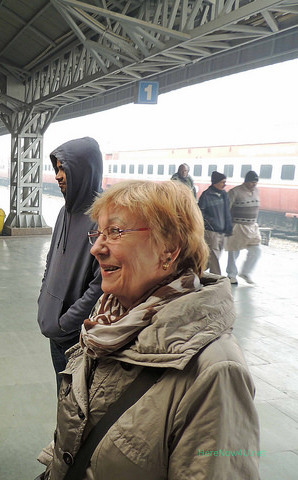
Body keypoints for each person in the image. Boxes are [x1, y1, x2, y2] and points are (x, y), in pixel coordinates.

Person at [36, 180, 260, 480]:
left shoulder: (217, 373)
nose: (96, 248)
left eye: (115, 232)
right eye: (99, 233)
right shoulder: (107, 322)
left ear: (168, 250)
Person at [37, 137, 103, 392]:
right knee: (62, 396)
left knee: (76, 405)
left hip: (77, 338)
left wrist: (67, 322)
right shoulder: (63, 213)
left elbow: (100, 286)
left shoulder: (101, 220)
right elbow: (50, 262)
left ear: (85, 170)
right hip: (55, 331)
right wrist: (44, 301)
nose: (58, 176)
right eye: (57, 168)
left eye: (65, 168)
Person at [226, 170, 261, 285]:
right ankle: (231, 275)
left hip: (252, 226)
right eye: (252, 182)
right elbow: (227, 209)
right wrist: (227, 224)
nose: (254, 184)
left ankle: (246, 273)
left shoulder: (256, 191)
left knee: (256, 250)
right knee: (234, 251)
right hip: (238, 225)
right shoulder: (235, 192)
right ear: (246, 181)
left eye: (256, 182)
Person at [198, 171, 232, 275]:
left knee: (213, 256)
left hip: (222, 230)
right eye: (222, 182)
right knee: (214, 256)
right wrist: (210, 222)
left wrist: (228, 227)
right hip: (211, 231)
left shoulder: (224, 195)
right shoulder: (206, 195)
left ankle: (197, 271)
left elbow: (227, 212)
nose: (224, 184)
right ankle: (217, 278)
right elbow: (200, 212)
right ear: (215, 182)